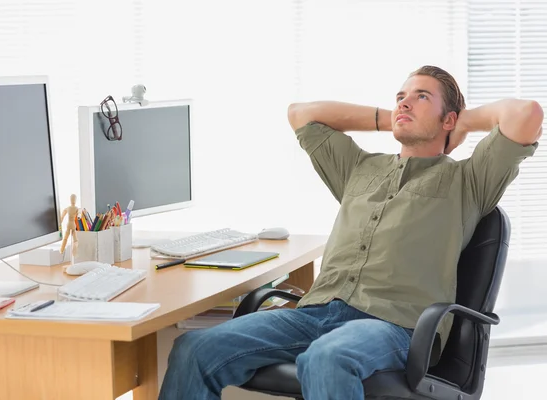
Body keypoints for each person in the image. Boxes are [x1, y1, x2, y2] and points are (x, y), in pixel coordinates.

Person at [158, 66, 543, 400]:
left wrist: (462, 123)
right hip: (314, 313)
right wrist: (389, 117)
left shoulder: (468, 181)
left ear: (448, 119)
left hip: (394, 326)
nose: (404, 103)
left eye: (421, 97)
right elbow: (301, 114)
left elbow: (526, 113)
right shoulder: (358, 167)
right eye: (400, 97)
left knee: (328, 358)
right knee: (194, 348)